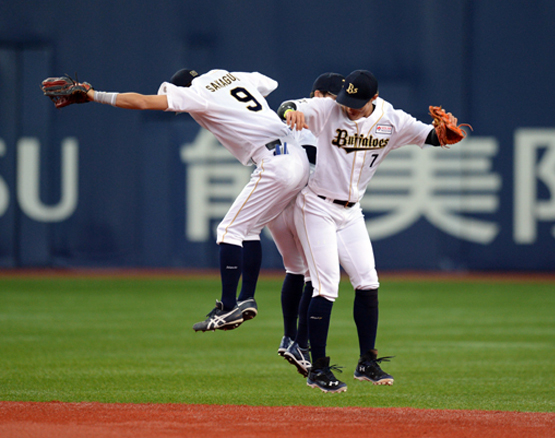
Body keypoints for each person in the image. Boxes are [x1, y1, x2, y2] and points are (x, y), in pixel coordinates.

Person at [285, 70, 468, 393]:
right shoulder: (329, 109)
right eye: (346, 100)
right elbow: (289, 106)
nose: (349, 107)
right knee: (326, 287)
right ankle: (318, 368)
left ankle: (366, 362)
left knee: (368, 282)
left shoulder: (391, 119)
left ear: (374, 98)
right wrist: (291, 111)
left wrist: (443, 136)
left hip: (351, 212)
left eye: (357, 103)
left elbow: (430, 136)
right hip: (315, 207)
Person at [87, 68, 310, 332]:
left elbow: (142, 102)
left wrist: (95, 95)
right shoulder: (231, 76)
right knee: (249, 229)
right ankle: (246, 298)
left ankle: (227, 307)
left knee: (228, 230)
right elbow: (269, 82)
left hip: (275, 162)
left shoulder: (195, 93)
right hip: (296, 156)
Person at [268, 73, 345, 378]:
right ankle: (300, 343)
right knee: (316, 274)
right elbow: (287, 107)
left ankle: (290, 337)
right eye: (332, 98)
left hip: (274, 201)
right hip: (302, 202)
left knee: (295, 269)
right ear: (316, 95)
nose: (337, 104)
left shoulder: (288, 123)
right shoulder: (315, 120)